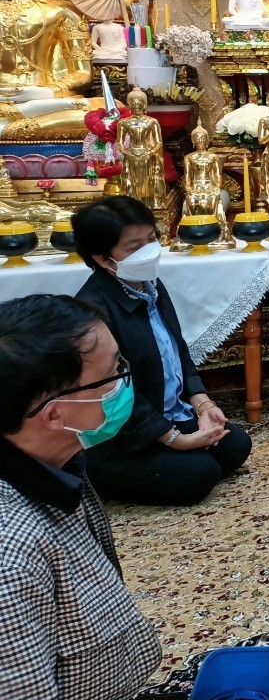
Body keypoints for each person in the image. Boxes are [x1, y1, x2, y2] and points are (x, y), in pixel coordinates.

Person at [0, 294, 161, 699]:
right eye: (113, 373)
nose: (124, 381)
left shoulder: (56, 462)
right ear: (53, 414)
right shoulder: (12, 559)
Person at [71, 196, 252, 505]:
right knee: (201, 473)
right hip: (123, 434)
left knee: (235, 445)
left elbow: (176, 349)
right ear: (103, 258)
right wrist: (176, 440)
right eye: (134, 247)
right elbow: (115, 393)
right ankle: (102, 473)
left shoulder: (148, 284)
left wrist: (203, 405)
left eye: (151, 239)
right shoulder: (94, 311)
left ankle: (172, 457)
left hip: (166, 413)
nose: (148, 251)